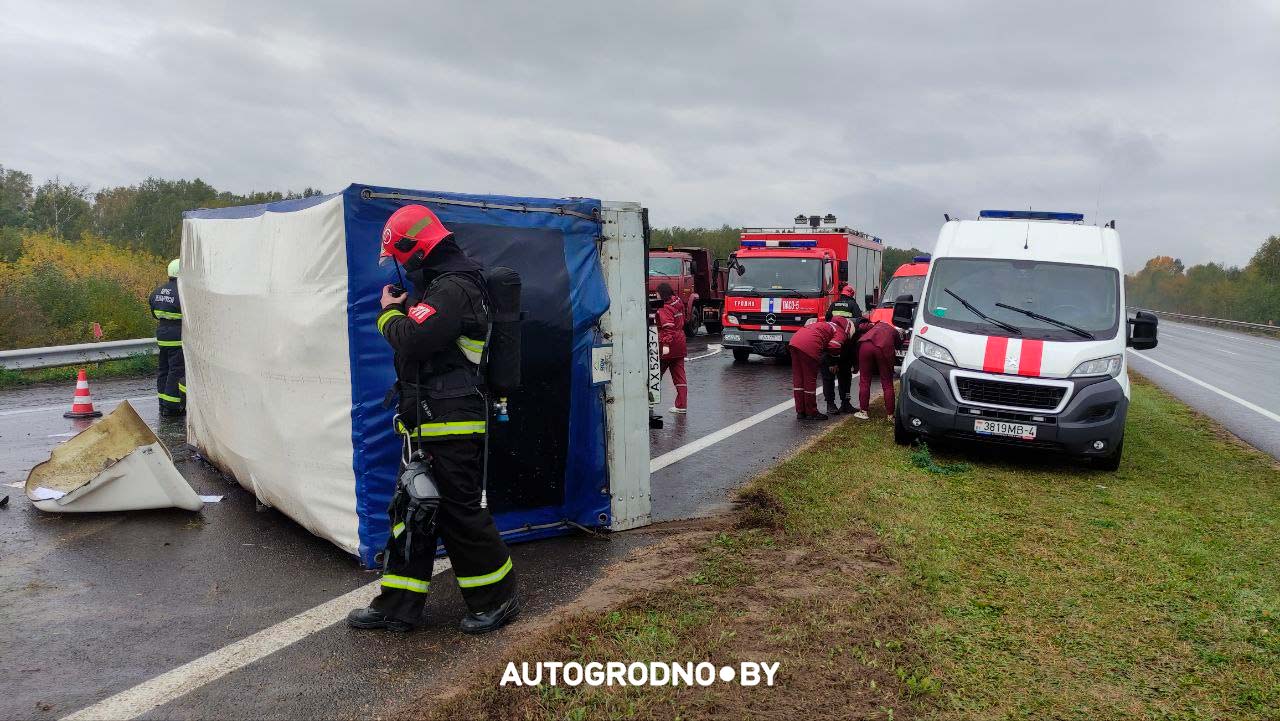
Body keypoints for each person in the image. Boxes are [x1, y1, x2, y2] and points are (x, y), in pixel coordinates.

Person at [347, 204, 519, 634]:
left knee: (460, 514)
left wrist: (387, 313)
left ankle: (497, 599)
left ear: (417, 249)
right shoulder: (440, 287)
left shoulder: (454, 289)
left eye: (402, 257)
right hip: (425, 423)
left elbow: (414, 339)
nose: (401, 267)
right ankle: (397, 608)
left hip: (453, 423)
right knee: (411, 511)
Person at [787, 315, 851, 421]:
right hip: (809, 346)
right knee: (809, 380)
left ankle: (801, 411)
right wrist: (833, 363)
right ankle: (811, 412)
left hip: (794, 341)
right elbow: (834, 345)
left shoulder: (825, 324)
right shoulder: (840, 331)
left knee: (798, 379)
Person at [149, 259, 185, 416]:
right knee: (176, 370)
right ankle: (171, 406)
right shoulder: (183, 292)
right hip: (177, 335)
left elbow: (153, 313)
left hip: (162, 334)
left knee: (164, 369)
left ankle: (162, 403)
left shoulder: (157, 292)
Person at [821, 284, 864, 414]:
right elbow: (858, 323)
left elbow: (827, 320)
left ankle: (830, 405)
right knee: (845, 376)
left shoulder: (833, 304)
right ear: (852, 294)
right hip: (846, 346)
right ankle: (845, 403)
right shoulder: (853, 305)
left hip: (831, 343)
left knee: (828, 377)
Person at [852, 319, 903, 420]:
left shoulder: (875, 325)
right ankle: (890, 414)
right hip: (883, 348)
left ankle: (864, 411)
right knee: (887, 382)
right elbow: (898, 345)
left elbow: (861, 327)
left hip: (865, 346)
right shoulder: (894, 331)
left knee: (864, 380)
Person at [655, 283, 688, 414]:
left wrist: (666, 345)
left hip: (669, 346)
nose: (656, 295)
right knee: (680, 377)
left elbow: (668, 327)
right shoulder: (678, 304)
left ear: (661, 294)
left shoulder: (664, 308)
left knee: (655, 375)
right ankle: (681, 405)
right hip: (680, 343)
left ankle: (649, 402)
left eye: (657, 293)